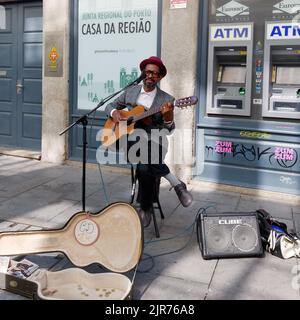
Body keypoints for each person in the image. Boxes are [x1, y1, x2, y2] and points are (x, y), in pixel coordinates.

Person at [105, 56, 193, 227]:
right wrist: (115, 112)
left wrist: (168, 117)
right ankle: (176, 184)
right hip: (127, 140)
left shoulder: (166, 99)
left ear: (160, 77)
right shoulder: (131, 91)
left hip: (155, 142)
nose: (150, 75)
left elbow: (169, 130)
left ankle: (144, 208)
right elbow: (110, 106)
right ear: (143, 73)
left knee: (145, 164)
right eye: (148, 72)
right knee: (143, 151)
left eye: (155, 73)